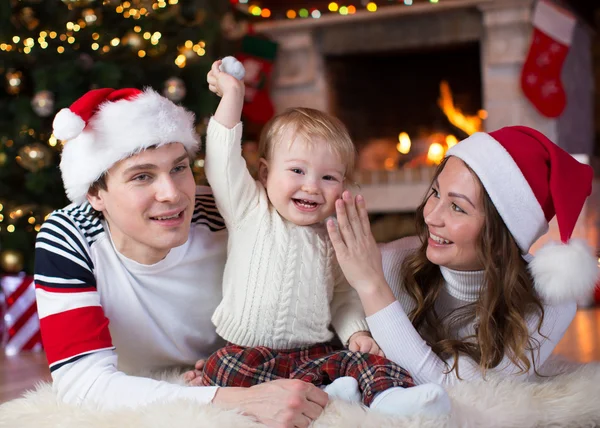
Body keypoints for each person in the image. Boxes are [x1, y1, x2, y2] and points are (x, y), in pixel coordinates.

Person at [34, 86, 329, 428]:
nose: (172, 194)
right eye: (142, 176)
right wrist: (240, 401)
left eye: (179, 168)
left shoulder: (228, 215)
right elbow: (81, 383)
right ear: (95, 193)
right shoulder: (70, 238)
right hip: (187, 392)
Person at [191, 58, 452, 418]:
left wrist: (356, 333)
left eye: (329, 177)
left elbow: (344, 296)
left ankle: (390, 400)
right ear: (265, 173)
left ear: (343, 185)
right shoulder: (250, 209)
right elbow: (221, 159)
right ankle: (334, 393)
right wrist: (233, 95)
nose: (311, 186)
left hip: (312, 351)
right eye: (297, 170)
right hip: (247, 353)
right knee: (222, 373)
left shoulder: (333, 236)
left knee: (362, 361)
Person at [327, 126, 598, 386]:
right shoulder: (391, 262)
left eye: (457, 207)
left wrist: (373, 288)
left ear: (500, 231)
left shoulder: (548, 303)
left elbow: (463, 397)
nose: (431, 216)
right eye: (435, 193)